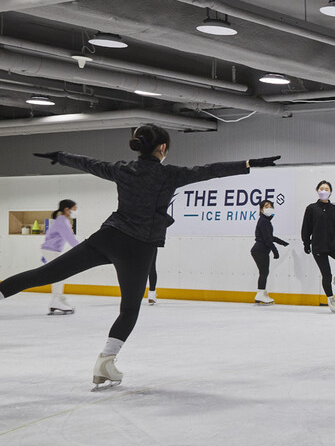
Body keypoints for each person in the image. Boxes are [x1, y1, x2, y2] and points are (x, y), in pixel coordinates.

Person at [0, 124, 280, 388]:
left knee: (45, 275)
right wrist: (248, 165)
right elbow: (209, 170)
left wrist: (61, 156)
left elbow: (90, 163)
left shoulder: (122, 169)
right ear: (163, 148)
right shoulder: (169, 174)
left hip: (108, 237)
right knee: (129, 309)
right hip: (138, 247)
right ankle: (105, 362)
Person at [301, 180, 335, 313]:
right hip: (318, 246)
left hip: (333, 245)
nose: (324, 191)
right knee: (326, 275)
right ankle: (330, 297)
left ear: (330, 192)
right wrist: (306, 242)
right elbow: (306, 227)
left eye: (326, 189)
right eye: (321, 188)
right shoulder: (311, 208)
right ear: (317, 191)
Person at [40, 199, 80, 315]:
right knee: (59, 274)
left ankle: (57, 298)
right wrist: (81, 250)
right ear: (67, 209)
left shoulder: (61, 220)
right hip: (51, 250)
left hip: (51, 250)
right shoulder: (62, 220)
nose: (76, 211)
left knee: (59, 274)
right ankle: (56, 300)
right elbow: (69, 237)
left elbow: (50, 236)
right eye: (74, 209)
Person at [252, 199, 289, 305]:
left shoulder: (265, 221)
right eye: (266, 206)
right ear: (261, 210)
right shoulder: (264, 221)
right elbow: (267, 240)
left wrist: (282, 243)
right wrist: (275, 251)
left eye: (271, 206)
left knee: (264, 272)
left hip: (260, 250)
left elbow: (270, 237)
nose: (269, 208)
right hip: (260, 250)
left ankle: (262, 293)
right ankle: (260, 294)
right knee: (264, 272)